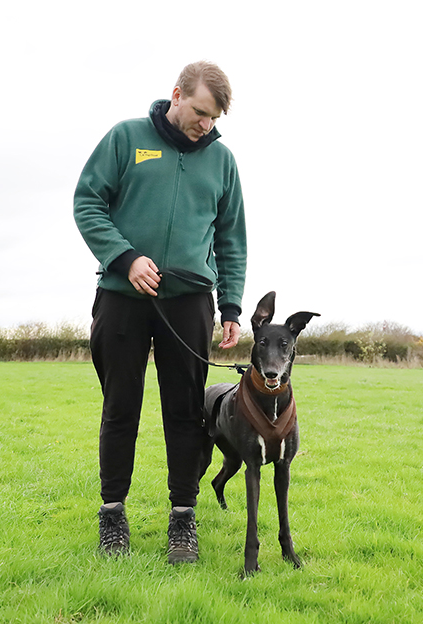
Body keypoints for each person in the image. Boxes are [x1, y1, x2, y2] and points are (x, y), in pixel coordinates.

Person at [73, 61, 247, 564]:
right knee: (120, 407)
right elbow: (88, 202)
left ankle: (183, 520)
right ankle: (112, 515)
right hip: (122, 297)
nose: (205, 126)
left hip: (190, 300)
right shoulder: (126, 139)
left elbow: (231, 237)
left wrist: (231, 303)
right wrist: (124, 257)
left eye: (213, 119)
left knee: (186, 414)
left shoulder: (223, 162)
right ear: (176, 95)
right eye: (199, 113)